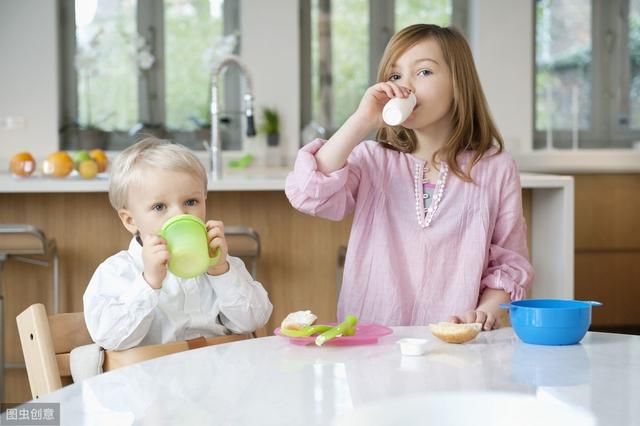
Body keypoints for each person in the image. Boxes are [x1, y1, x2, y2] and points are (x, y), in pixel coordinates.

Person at [285, 24, 534, 330]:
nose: (406, 87)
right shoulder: (372, 160)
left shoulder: (495, 168)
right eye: (395, 76)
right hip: (373, 341)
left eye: (424, 72)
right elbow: (308, 194)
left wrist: (486, 311)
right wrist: (361, 120)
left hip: (455, 342)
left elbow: (509, 263)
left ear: (459, 83)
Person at [84, 137, 273, 350]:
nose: (180, 214)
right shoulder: (117, 272)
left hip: (219, 375)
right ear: (131, 220)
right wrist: (149, 282)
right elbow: (110, 338)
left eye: (191, 202)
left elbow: (255, 319)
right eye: (159, 207)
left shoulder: (221, 264)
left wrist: (221, 271)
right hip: (152, 379)